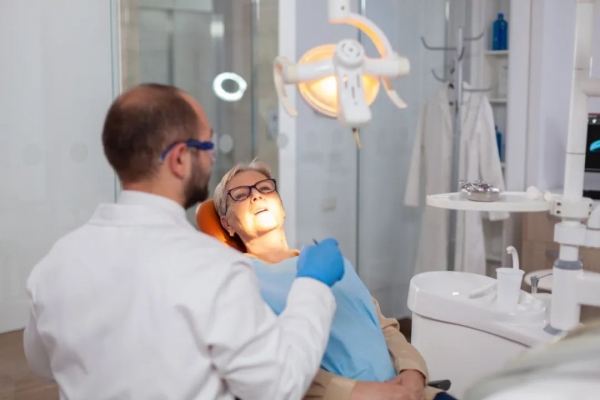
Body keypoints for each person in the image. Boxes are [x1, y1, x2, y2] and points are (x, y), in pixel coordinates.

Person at [23, 84, 347, 400]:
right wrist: (313, 285)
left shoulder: (54, 266)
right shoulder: (214, 268)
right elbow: (278, 387)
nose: (211, 159)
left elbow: (44, 365)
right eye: (207, 146)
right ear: (179, 159)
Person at [213, 160, 455, 400]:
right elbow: (275, 369)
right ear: (227, 224)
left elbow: (384, 328)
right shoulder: (243, 282)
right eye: (241, 195)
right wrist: (367, 392)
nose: (256, 196)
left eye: (265, 188)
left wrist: (413, 372)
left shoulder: (327, 261)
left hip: (411, 392)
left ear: (282, 207)